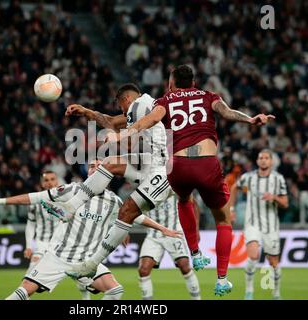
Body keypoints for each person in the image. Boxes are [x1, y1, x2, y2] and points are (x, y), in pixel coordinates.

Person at [106, 65, 275, 296]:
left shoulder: (164, 101)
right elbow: (227, 112)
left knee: (184, 200)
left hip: (179, 165)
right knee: (223, 220)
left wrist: (127, 132)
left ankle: (195, 254)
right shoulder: (208, 96)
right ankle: (222, 280)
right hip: (207, 163)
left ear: (172, 83)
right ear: (193, 83)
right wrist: (252, 120)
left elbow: (149, 120)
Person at [57, 83, 210, 281]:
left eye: (120, 105)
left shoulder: (140, 105)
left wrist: (115, 138)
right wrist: (86, 111)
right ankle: (71, 206)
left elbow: (132, 139)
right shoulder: (142, 108)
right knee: (111, 163)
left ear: (126, 100)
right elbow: (111, 121)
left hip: (163, 171)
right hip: (147, 164)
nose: (121, 110)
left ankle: (91, 264)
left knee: (127, 211)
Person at [0, 159, 181, 300]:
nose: (94, 169)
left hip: (87, 261)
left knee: (116, 290)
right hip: (58, 256)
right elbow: (36, 197)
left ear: (108, 174)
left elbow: (137, 216)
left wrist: (163, 229)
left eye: (98, 166)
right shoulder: (73, 190)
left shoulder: (114, 201)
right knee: (24, 291)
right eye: (91, 166)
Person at [229, 149, 288, 300]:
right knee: (253, 255)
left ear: (271, 161)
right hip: (252, 223)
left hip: (271, 226)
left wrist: (274, 197)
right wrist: (231, 209)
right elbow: (234, 187)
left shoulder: (278, 179)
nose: (263, 160)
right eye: (260, 158)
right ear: (257, 161)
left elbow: (285, 203)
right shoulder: (248, 177)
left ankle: (276, 293)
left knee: (273, 262)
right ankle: (249, 291)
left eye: (266, 158)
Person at [24, 170, 90, 299]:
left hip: (64, 243)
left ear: (57, 181)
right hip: (42, 244)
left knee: (82, 277)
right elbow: (30, 224)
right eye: (46, 180)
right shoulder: (35, 202)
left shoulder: (69, 199)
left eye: (52, 179)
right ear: (42, 184)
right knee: (30, 275)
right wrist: (28, 246)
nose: (49, 182)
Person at [138, 190, 201, 300]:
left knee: (184, 266)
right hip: (154, 234)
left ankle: (197, 299)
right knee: (143, 270)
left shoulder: (175, 186)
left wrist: (195, 229)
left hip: (174, 232)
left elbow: (193, 205)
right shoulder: (145, 187)